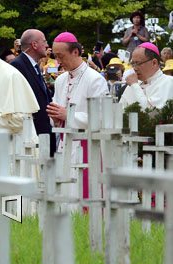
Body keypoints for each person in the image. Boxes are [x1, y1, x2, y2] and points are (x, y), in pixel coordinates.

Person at [46, 32, 108, 204]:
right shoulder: (60, 81)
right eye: (55, 56)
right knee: (65, 195)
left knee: (82, 194)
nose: (58, 62)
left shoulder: (95, 79)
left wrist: (68, 115)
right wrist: (55, 115)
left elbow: (101, 117)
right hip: (64, 143)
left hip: (85, 145)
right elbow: (57, 112)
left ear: (75, 52)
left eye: (60, 56)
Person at [11, 29, 55, 156]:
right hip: (32, 133)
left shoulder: (34, 66)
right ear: (34, 45)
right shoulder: (17, 66)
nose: (47, 45)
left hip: (43, 132)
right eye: (44, 41)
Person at [120, 42, 173, 110]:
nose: (134, 68)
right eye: (133, 64)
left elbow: (149, 113)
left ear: (154, 63)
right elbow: (120, 110)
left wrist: (135, 86)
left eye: (138, 63)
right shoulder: (134, 84)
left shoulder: (168, 82)